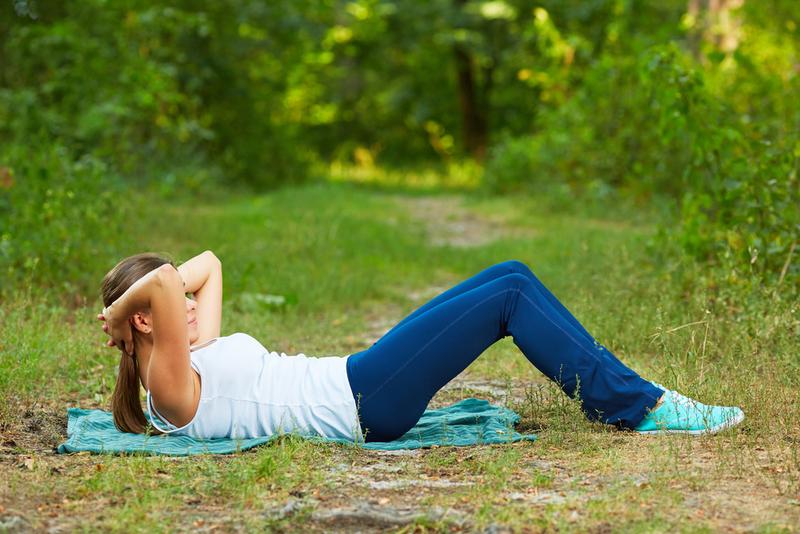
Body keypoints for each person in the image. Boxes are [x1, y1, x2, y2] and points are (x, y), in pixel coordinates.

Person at [98, 252, 744, 442]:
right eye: (169, 304)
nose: (186, 299)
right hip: (363, 402)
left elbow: (208, 263)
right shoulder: (169, 389)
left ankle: (621, 398)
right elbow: (160, 283)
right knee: (510, 299)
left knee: (510, 276)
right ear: (147, 323)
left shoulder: (190, 354)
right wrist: (121, 311)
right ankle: (640, 406)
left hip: (358, 380)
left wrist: (142, 307)